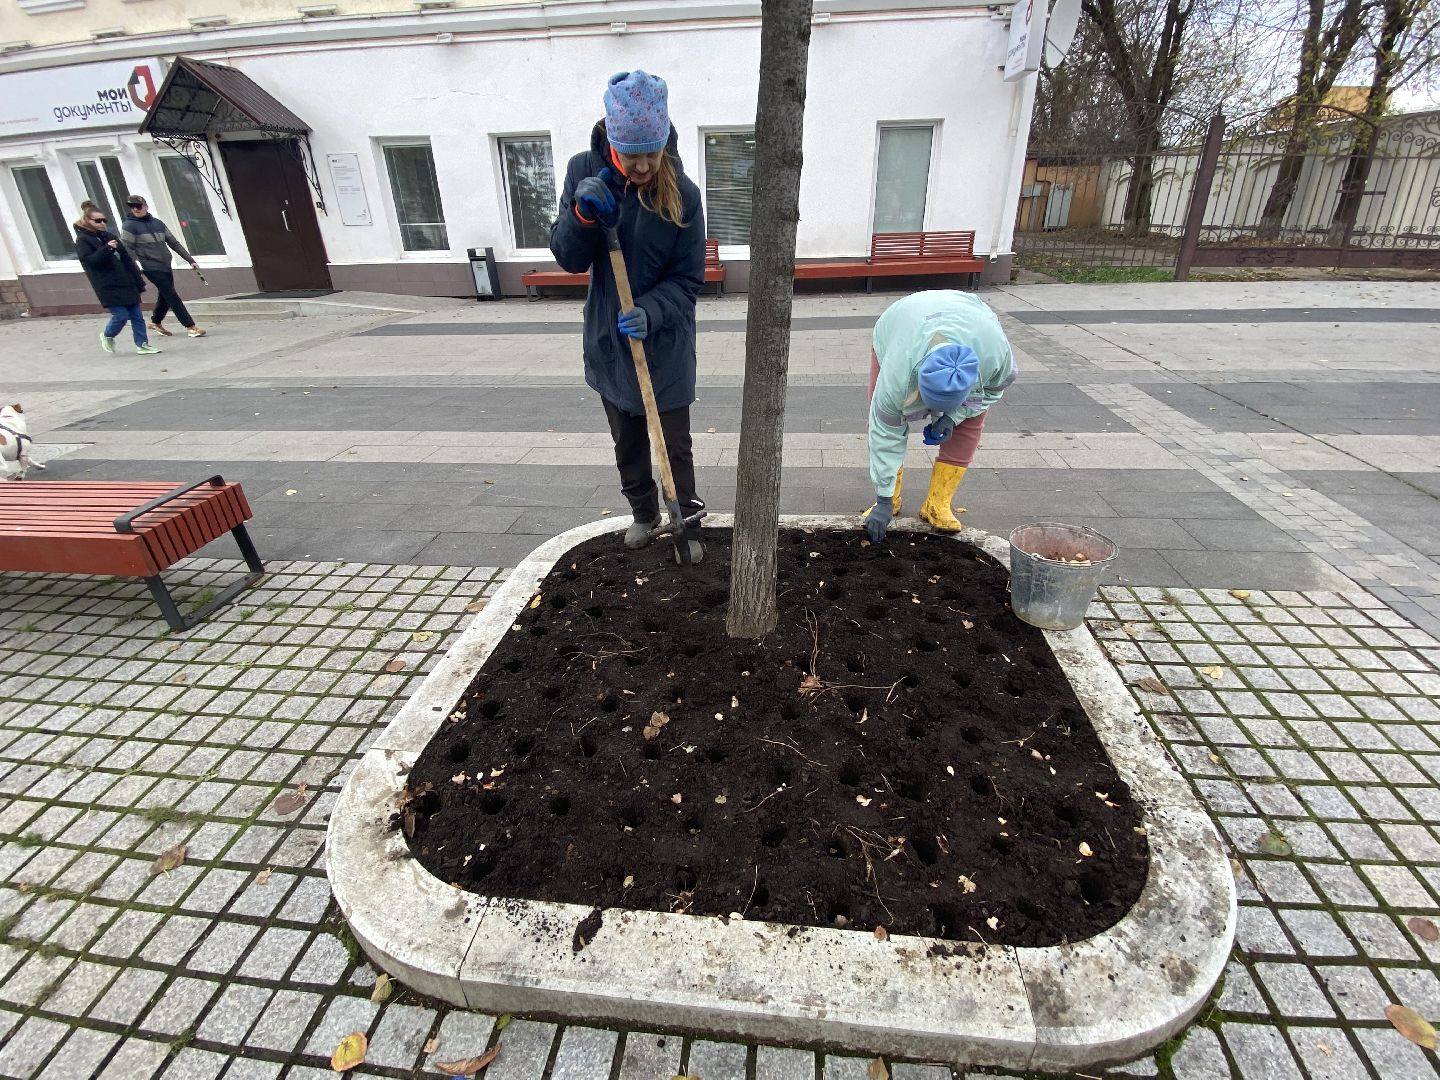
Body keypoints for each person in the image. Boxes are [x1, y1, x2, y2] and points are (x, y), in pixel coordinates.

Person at [550, 71, 707, 563]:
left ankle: (686, 519)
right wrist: (581, 217)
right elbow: (569, 258)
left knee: (674, 445)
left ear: (663, 142)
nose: (642, 165)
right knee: (628, 443)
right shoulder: (583, 171)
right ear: (612, 140)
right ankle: (644, 513)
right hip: (609, 343)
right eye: (630, 152)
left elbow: (689, 279)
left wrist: (652, 311)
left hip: (665, 344)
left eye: (651, 152)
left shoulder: (683, 192)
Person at [863, 290, 1017, 542]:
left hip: (970, 314)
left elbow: (993, 391)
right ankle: (891, 498)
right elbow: (885, 433)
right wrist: (883, 499)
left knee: (970, 425)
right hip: (901, 322)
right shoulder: (897, 375)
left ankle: (937, 503)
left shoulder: (995, 357)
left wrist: (954, 417)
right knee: (881, 417)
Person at [74, 201, 160, 356]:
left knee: (137, 316)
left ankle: (142, 344)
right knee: (121, 315)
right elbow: (91, 261)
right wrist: (107, 248)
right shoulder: (83, 240)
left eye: (104, 220)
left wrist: (138, 281)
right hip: (107, 285)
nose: (102, 224)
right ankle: (107, 335)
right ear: (88, 221)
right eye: (98, 221)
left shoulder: (110, 236)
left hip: (126, 282)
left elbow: (127, 260)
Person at [120, 194, 207, 339]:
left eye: (138, 206)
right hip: (150, 266)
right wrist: (133, 269)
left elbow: (173, 242)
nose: (135, 209)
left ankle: (155, 322)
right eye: (132, 207)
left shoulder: (158, 223)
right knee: (171, 295)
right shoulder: (129, 225)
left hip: (165, 264)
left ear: (146, 206)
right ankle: (190, 326)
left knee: (165, 295)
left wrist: (190, 260)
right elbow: (127, 249)